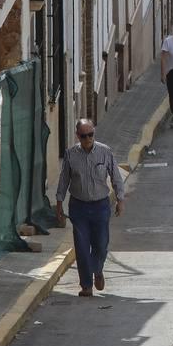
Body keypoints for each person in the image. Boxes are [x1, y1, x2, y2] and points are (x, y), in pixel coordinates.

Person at [54, 119, 125, 296]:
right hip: (78, 207)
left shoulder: (104, 152)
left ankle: (98, 270)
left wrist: (120, 199)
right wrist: (59, 202)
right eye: (84, 136)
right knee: (82, 247)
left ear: (94, 133)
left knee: (101, 244)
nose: (88, 139)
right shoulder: (71, 154)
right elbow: (64, 180)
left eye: (91, 135)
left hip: (100, 205)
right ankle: (86, 285)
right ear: (78, 136)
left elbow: (116, 176)